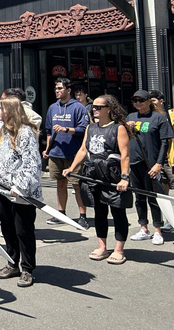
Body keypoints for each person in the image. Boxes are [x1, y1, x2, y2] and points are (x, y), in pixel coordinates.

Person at [62, 94, 132, 264]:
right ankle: (102, 246)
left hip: (112, 173)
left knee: (117, 211)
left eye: (99, 107)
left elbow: (125, 155)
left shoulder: (118, 128)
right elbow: (83, 150)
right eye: (94, 106)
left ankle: (118, 249)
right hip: (93, 173)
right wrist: (71, 168)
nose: (95, 109)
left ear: (109, 109)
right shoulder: (90, 128)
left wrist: (124, 178)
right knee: (99, 212)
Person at [0, 97, 42, 287]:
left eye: (0, 108)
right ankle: (12, 263)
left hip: (21, 193)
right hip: (1, 189)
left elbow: (32, 163)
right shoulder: (1, 130)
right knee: (7, 228)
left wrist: (19, 186)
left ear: (10, 111)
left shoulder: (25, 132)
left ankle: (27, 268)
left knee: (23, 231)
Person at [126, 89, 174, 245]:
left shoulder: (158, 118)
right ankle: (143, 228)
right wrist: (127, 128)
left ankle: (157, 230)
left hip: (151, 163)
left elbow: (164, 143)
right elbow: (123, 139)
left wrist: (159, 163)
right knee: (139, 198)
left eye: (141, 100)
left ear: (148, 101)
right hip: (134, 162)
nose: (137, 103)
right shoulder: (131, 117)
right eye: (135, 101)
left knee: (153, 197)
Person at [43, 77, 90, 229]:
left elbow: (84, 129)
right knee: (60, 183)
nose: (57, 91)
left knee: (77, 185)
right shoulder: (52, 108)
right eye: (56, 89)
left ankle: (83, 216)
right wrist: (48, 149)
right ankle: (61, 213)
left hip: (74, 153)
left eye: (60, 88)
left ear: (68, 90)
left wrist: (66, 129)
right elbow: (49, 131)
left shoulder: (78, 108)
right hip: (56, 152)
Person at [150, 90, 174, 223]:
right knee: (162, 188)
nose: (152, 103)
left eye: (154, 100)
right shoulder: (150, 116)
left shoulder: (170, 115)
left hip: (170, 158)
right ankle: (168, 220)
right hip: (157, 157)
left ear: (161, 101)